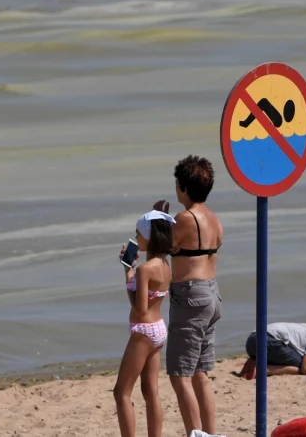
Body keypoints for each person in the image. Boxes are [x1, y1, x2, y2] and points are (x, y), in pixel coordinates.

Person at [167, 155, 223, 437]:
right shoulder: (214, 220)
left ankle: (196, 434)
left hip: (190, 296)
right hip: (211, 293)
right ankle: (209, 433)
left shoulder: (185, 218)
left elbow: (158, 246)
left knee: (180, 374)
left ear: (184, 188)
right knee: (200, 372)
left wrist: (157, 218)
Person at [114, 208, 176, 437]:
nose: (136, 237)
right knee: (151, 392)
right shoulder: (165, 265)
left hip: (144, 331)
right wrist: (129, 272)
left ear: (149, 237)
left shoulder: (144, 270)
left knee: (121, 392)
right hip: (159, 329)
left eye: (138, 233)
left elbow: (140, 309)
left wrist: (129, 276)